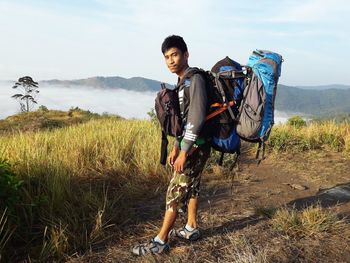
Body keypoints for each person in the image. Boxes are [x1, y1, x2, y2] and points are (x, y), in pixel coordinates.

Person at [132, 35, 211, 256]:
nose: (170, 61)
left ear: (186, 54)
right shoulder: (182, 80)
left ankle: (160, 241)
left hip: (196, 146)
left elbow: (196, 117)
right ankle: (191, 227)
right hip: (195, 145)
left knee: (174, 192)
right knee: (192, 186)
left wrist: (184, 152)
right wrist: (176, 146)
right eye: (167, 57)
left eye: (175, 55)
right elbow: (183, 119)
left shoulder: (195, 80)